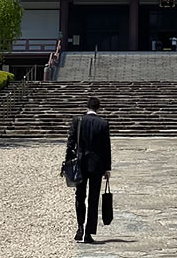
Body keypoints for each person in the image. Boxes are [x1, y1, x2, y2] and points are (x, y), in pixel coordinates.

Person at [62, 96, 112, 243]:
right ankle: (89, 232)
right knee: (93, 198)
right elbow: (106, 148)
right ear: (98, 108)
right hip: (96, 166)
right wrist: (107, 168)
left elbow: (70, 143)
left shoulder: (78, 121)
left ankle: (79, 227)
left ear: (87, 107)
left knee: (80, 196)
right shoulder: (103, 123)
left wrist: (67, 163)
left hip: (80, 164)